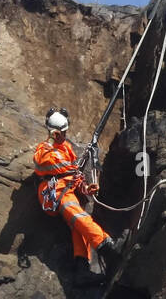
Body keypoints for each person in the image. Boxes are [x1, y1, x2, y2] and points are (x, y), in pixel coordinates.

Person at [33, 109, 122, 278]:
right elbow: (40, 161)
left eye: (65, 132)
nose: (64, 135)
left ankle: (82, 265)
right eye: (61, 132)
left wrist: (86, 189)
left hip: (68, 191)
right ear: (54, 132)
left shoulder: (67, 148)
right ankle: (105, 245)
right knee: (81, 218)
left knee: (77, 225)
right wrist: (51, 139)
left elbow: (75, 174)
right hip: (54, 191)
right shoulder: (44, 149)